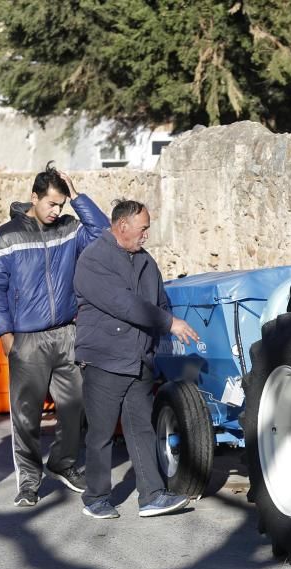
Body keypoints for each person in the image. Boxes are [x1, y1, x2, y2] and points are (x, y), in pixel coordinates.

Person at [0, 163, 109, 507]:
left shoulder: (70, 229)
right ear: (33, 197)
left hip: (67, 333)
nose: (56, 211)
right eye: (51, 203)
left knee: (74, 406)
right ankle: (28, 480)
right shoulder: (6, 236)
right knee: (26, 414)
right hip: (26, 339)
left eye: (61, 205)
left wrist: (78, 196)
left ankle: (63, 463)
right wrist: (6, 335)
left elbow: (103, 233)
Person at [74, 199, 199, 519]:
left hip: (138, 358)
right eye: (142, 227)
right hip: (105, 358)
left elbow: (160, 302)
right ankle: (96, 498)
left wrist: (156, 349)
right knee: (101, 433)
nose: (146, 234)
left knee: (142, 428)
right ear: (122, 225)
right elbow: (123, 303)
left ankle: (152, 495)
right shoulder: (93, 259)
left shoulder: (147, 262)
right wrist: (170, 324)